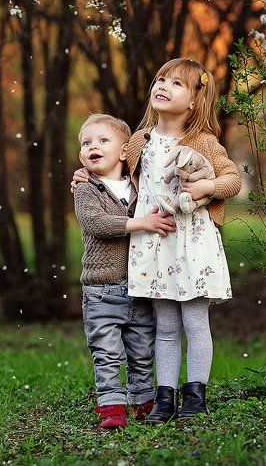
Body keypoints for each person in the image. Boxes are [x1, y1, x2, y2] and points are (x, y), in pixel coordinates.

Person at [72, 59, 241, 424]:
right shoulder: (138, 142)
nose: (163, 86)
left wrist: (207, 187)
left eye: (177, 84)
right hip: (154, 247)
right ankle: (164, 398)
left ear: (195, 100)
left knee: (195, 324)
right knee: (164, 327)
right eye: (160, 79)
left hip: (193, 245)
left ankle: (195, 396)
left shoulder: (203, 142)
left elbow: (232, 180)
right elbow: (112, 168)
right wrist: (84, 172)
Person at [73, 113, 177, 429]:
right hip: (102, 289)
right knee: (106, 354)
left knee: (141, 352)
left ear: (123, 152)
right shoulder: (86, 189)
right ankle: (111, 407)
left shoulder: (139, 186)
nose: (94, 146)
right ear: (81, 156)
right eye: (87, 143)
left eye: (103, 140)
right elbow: (97, 223)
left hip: (140, 286)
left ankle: (142, 402)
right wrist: (141, 223)